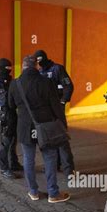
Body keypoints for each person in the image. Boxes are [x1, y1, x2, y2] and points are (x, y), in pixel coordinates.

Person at [9, 55, 70, 203]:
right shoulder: (46, 82)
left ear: (23, 66)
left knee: (28, 159)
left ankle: (33, 192)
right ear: (36, 66)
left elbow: (11, 106)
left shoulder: (15, 84)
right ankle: (53, 194)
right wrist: (62, 124)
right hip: (46, 127)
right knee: (50, 158)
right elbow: (55, 106)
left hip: (25, 128)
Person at [33, 50, 75, 176]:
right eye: (37, 62)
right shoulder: (39, 73)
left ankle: (68, 169)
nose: (40, 63)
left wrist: (63, 102)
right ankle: (54, 165)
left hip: (57, 108)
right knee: (50, 139)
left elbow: (68, 86)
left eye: (41, 60)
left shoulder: (57, 69)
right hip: (46, 110)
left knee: (62, 138)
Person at [0, 58, 23, 179]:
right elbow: (3, 100)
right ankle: (4, 168)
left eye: (10, 68)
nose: (9, 70)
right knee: (5, 142)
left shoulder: (9, 80)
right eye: (7, 68)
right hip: (5, 114)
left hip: (12, 113)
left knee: (13, 140)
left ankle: (14, 163)